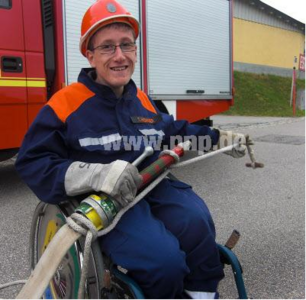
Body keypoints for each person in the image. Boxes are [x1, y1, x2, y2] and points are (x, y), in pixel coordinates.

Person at [15, 0, 248, 299]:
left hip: (153, 186)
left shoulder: (140, 99)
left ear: (136, 50)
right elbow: (32, 162)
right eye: (107, 47)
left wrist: (219, 139)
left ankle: (201, 295)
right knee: (164, 263)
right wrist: (97, 175)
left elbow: (173, 133)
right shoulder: (65, 104)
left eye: (127, 45)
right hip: (109, 201)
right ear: (89, 54)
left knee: (197, 224)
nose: (120, 56)